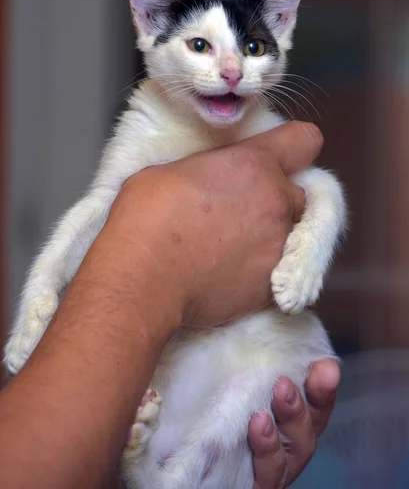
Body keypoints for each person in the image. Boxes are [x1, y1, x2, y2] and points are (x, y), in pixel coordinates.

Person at [0, 121, 340, 489]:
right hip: (164, 389)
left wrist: (308, 249)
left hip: (250, 358)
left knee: (253, 393)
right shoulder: (148, 124)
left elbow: (320, 190)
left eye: (253, 56)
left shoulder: (261, 127)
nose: (230, 71)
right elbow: (100, 206)